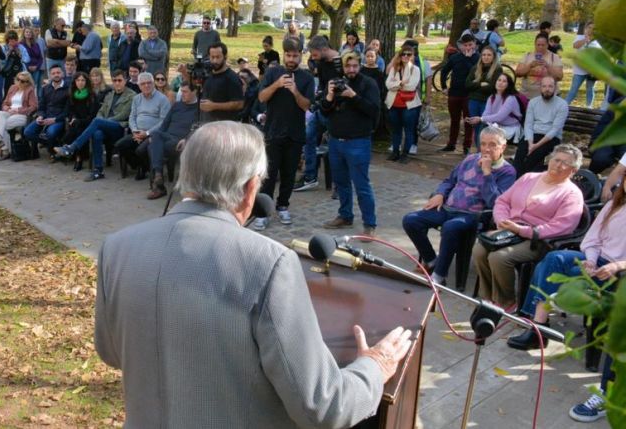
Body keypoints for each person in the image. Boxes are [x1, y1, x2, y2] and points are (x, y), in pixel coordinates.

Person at [95, 120, 413, 429]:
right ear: (250, 190)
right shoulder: (270, 264)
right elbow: (324, 407)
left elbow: (111, 352)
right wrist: (374, 366)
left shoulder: (116, 247)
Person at [506, 171, 626, 350]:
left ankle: (537, 327)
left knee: (548, 270)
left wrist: (616, 266)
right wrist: (591, 261)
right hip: (597, 260)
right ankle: (539, 326)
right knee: (554, 258)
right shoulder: (614, 206)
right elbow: (593, 239)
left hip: (618, 273)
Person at [473, 144, 585, 308]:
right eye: (556, 160)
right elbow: (503, 201)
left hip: (538, 240)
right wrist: (501, 220)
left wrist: (523, 230)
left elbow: (563, 226)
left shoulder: (571, 194)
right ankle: (488, 297)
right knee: (479, 249)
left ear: (573, 170)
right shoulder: (529, 178)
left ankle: (506, 301)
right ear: (550, 160)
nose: (558, 165)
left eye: (565, 163)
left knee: (499, 257)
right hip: (509, 230)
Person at [403, 126, 516, 285]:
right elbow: (450, 181)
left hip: (473, 216)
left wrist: (487, 173)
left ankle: (439, 276)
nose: (486, 148)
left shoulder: (507, 171)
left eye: (492, 144)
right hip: (448, 208)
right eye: (483, 144)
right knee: (411, 220)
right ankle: (431, 261)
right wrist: (440, 193)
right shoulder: (470, 159)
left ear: (503, 147)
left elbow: (496, 202)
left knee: (450, 227)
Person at [253, 38, 315, 230]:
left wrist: (295, 91)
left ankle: (283, 206)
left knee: (288, 174)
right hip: (273, 131)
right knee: (269, 175)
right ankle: (263, 211)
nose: (291, 59)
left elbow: (307, 105)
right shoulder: (273, 72)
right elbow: (261, 97)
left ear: (301, 56)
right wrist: (277, 85)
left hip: (295, 133)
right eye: (288, 55)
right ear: (284, 55)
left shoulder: (307, 78)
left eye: (295, 55)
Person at [320, 52, 381, 234]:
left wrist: (353, 96)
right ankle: (345, 216)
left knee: (362, 185)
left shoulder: (368, 83)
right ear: (343, 68)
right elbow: (324, 112)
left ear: (360, 65)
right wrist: (330, 95)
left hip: (358, 142)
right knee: (341, 183)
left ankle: (369, 224)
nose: (351, 70)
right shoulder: (336, 82)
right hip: (336, 142)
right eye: (348, 67)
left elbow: (374, 110)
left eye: (355, 66)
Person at [56, 69, 137, 181]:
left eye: (119, 80)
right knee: (97, 133)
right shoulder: (110, 95)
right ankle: (98, 170)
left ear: (125, 80)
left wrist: (104, 121)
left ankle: (72, 147)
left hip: (119, 127)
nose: (117, 83)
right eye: (114, 80)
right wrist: (101, 120)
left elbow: (123, 115)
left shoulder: (132, 96)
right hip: (105, 126)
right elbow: (101, 111)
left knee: (97, 122)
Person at [294, 35, 339, 192]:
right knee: (308, 136)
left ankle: (339, 182)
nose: (313, 59)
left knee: (335, 145)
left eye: (314, 55)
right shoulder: (322, 63)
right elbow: (322, 85)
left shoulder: (339, 63)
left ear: (324, 49)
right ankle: (310, 176)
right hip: (322, 109)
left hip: (336, 112)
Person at [146, 81, 199, 199]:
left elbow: (199, 129)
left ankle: (158, 186)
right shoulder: (177, 105)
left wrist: (187, 139)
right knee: (156, 135)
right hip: (168, 137)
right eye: (181, 91)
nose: (182, 94)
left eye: (185, 92)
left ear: (194, 92)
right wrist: (155, 137)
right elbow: (164, 125)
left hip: (182, 142)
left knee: (153, 147)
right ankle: (159, 176)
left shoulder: (199, 109)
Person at [115, 72, 171, 180]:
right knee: (120, 145)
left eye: (149, 83)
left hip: (153, 134)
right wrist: (135, 131)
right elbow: (132, 117)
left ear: (153, 84)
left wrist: (147, 133)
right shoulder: (137, 98)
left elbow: (164, 122)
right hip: (137, 132)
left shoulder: (162, 99)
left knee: (140, 150)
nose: (146, 85)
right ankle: (140, 166)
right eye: (143, 83)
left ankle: (143, 168)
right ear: (139, 86)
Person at [513, 76, 568, 175]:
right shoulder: (533, 102)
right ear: (540, 88)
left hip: (550, 138)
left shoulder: (562, 104)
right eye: (544, 86)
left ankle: (524, 183)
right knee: (520, 155)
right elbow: (528, 124)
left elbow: (555, 130)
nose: (547, 89)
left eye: (550, 86)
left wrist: (535, 146)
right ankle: (517, 184)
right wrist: (530, 143)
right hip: (532, 135)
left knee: (532, 159)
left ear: (555, 88)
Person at [439, 34, 479, 154]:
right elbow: (444, 71)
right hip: (454, 93)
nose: (467, 48)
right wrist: (444, 87)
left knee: (468, 121)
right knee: (454, 120)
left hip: (469, 94)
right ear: (461, 46)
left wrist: (468, 58)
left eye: (470, 45)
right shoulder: (455, 57)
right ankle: (451, 143)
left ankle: (466, 146)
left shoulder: (478, 58)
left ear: (475, 45)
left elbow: (475, 73)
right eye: (465, 45)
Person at [385, 45, 421, 164]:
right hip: (394, 104)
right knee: (396, 129)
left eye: (408, 54)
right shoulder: (394, 68)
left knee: (409, 130)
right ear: (400, 55)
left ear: (412, 56)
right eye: (403, 54)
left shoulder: (415, 69)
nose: (405, 56)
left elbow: (411, 87)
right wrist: (401, 83)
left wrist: (396, 84)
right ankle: (395, 152)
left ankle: (405, 154)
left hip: (409, 105)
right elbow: (388, 85)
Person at [57, 72, 99, 171]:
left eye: (83, 80)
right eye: (78, 80)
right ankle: (77, 157)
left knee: (78, 129)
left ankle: (72, 153)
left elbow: (93, 115)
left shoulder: (92, 96)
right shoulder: (72, 94)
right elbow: (69, 111)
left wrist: (78, 121)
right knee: (77, 128)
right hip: (76, 122)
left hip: (89, 122)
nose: (80, 83)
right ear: (74, 82)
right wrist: (73, 118)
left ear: (86, 82)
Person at [23, 64, 69, 154]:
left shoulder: (68, 89)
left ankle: (52, 148)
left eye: (58, 72)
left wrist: (54, 120)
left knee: (50, 133)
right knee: (28, 132)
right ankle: (55, 145)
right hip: (45, 117)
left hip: (59, 119)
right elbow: (41, 106)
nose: (56, 75)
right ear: (50, 75)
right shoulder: (45, 88)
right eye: (53, 73)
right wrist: (40, 116)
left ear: (62, 74)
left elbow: (67, 111)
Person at [464, 45, 502, 148]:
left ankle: (484, 153)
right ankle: (479, 153)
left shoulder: (497, 70)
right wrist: (481, 84)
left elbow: (492, 88)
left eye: (489, 55)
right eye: (484, 55)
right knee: (476, 128)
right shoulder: (475, 68)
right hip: (474, 101)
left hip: (487, 102)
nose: (486, 57)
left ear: (493, 57)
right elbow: (467, 84)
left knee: (485, 129)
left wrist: (475, 84)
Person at [469, 74, 524, 143]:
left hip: (510, 128)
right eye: (499, 80)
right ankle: (481, 152)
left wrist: (480, 119)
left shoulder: (511, 98)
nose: (500, 83)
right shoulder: (492, 97)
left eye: (504, 81)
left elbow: (499, 117)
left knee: (485, 128)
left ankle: (482, 152)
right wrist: (482, 119)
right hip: (498, 126)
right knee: (484, 127)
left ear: (508, 85)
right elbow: (486, 115)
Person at [0, 71, 38, 157]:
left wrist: (18, 110)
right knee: (0, 113)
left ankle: (5, 148)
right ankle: (3, 144)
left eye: (22, 81)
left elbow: (34, 107)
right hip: (9, 112)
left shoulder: (30, 90)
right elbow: (5, 103)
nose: (19, 82)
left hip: (22, 115)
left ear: (27, 82)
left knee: (4, 124)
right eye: (18, 79)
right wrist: (8, 109)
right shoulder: (12, 88)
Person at [199, 42, 245, 122]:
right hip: (207, 123)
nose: (215, 61)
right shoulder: (208, 74)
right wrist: (184, 73)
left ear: (225, 57)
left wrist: (214, 106)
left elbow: (239, 104)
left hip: (224, 126)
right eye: (212, 57)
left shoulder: (232, 78)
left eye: (218, 57)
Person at [516, 33, 564, 99]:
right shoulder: (527, 55)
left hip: (548, 96)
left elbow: (559, 77)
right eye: (538, 45)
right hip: (527, 96)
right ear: (535, 44)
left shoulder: (554, 57)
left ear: (547, 45)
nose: (540, 47)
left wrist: (548, 66)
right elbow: (518, 73)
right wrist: (530, 66)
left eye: (543, 45)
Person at [565, 22, 601, 107]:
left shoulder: (599, 40)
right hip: (579, 70)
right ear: (586, 28)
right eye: (589, 27)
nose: (591, 30)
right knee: (574, 89)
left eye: (593, 28)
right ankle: (564, 106)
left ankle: (589, 107)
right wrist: (585, 40)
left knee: (590, 89)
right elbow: (575, 46)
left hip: (592, 71)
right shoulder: (580, 37)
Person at [1, 30, 31, 98]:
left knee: (19, 92)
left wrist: (20, 55)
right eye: (10, 41)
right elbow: (1, 61)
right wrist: (8, 53)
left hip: (19, 73)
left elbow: (27, 59)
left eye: (14, 40)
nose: (13, 43)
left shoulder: (21, 47)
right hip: (7, 74)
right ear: (7, 40)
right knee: (7, 93)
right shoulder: (4, 48)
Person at [21, 27, 44, 97]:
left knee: (33, 86)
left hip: (36, 68)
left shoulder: (36, 44)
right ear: (24, 33)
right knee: (25, 86)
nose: (28, 33)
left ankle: (33, 102)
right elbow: (21, 58)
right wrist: (28, 66)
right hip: (25, 69)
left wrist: (37, 66)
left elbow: (40, 57)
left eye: (30, 32)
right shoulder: (21, 44)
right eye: (26, 32)